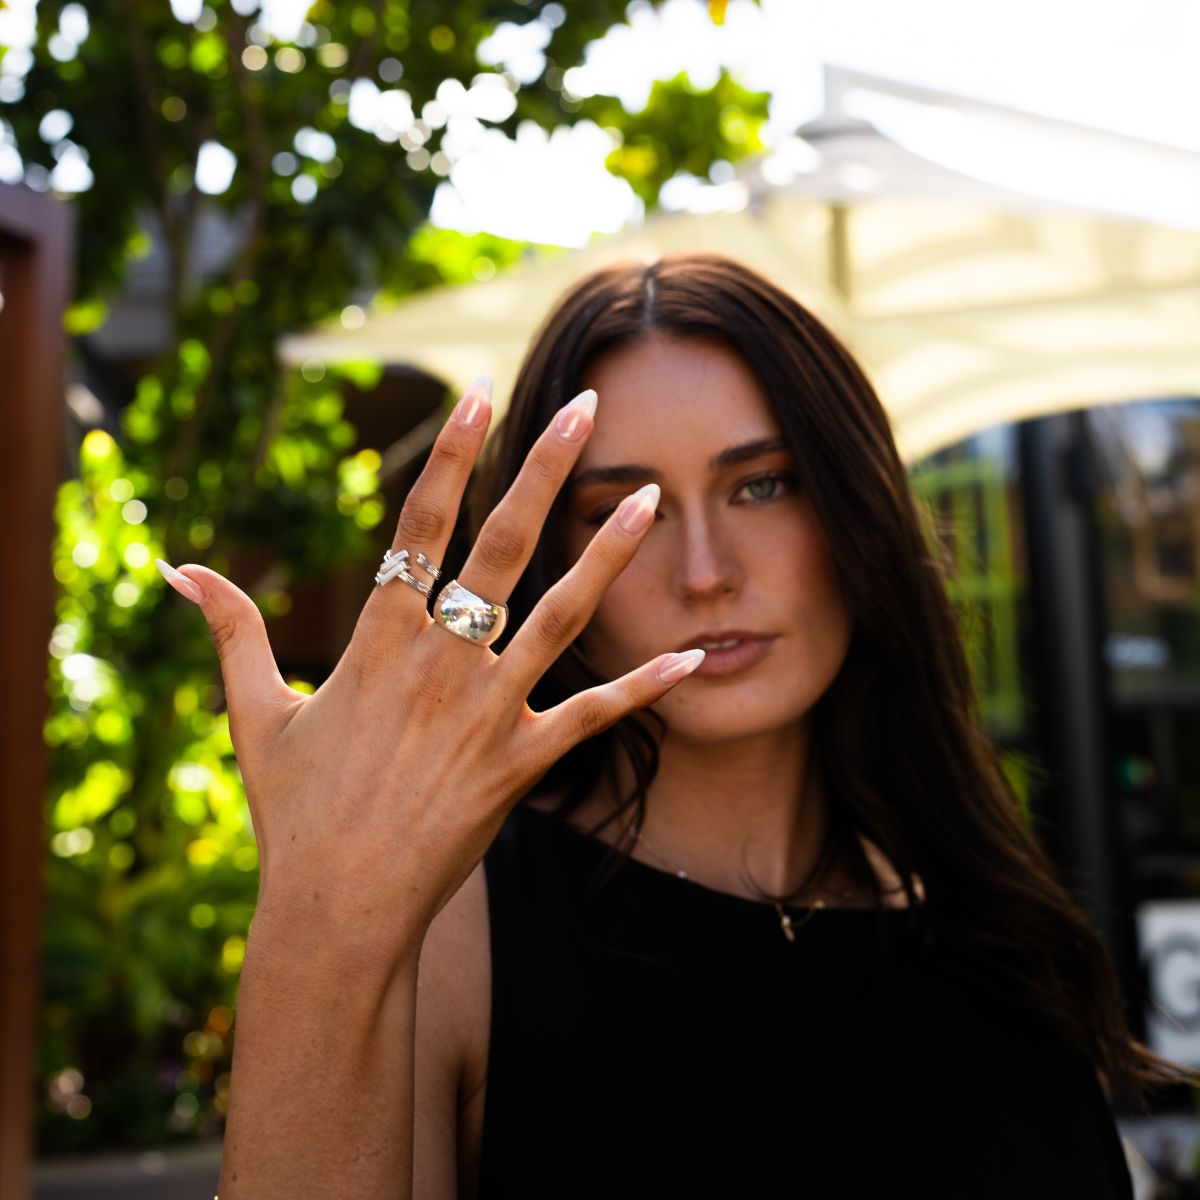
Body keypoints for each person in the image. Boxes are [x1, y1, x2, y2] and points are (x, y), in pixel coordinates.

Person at [157, 254, 1192, 1199]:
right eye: (630, 512)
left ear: (855, 505)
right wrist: (319, 923)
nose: (708, 572)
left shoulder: (995, 927)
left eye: (764, 485)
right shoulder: (459, 925)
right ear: (563, 562)